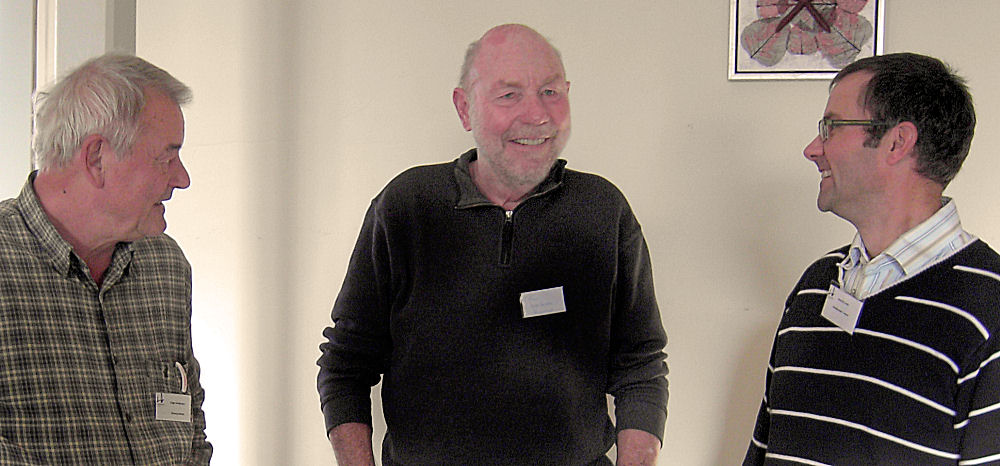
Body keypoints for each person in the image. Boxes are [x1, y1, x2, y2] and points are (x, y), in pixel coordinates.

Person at [317, 24, 668, 465]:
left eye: (550, 92)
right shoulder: (407, 206)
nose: (536, 114)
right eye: (509, 95)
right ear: (465, 108)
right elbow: (345, 365)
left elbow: (641, 365)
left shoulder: (602, 211)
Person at [744, 53, 1000, 464]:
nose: (812, 149)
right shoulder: (815, 286)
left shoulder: (989, 312)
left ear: (898, 142)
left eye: (831, 127)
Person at [0, 54, 211, 464]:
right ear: (96, 158)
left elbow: (189, 423)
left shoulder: (164, 267)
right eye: (166, 157)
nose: (182, 178)